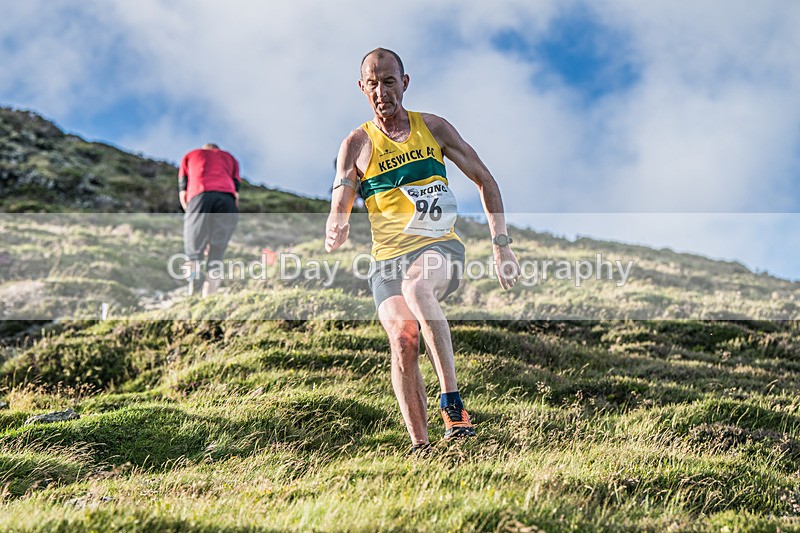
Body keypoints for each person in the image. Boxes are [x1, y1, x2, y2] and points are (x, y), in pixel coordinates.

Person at [325, 48, 520, 453]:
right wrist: (337, 220)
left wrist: (501, 245)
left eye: (390, 81)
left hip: (438, 246)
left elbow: (486, 180)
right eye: (373, 84)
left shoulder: (432, 127)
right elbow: (342, 192)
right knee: (402, 337)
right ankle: (421, 446)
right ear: (362, 88)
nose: (382, 92)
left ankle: (454, 407)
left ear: (405, 82)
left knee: (418, 289)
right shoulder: (357, 143)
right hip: (386, 262)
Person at [178, 143, 240, 297]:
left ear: (205, 148)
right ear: (217, 149)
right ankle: (209, 296)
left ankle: (193, 288)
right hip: (227, 198)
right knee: (217, 252)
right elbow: (236, 193)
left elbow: (183, 191)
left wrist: (192, 214)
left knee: (193, 249)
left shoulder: (191, 155)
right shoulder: (230, 158)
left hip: (200, 194)